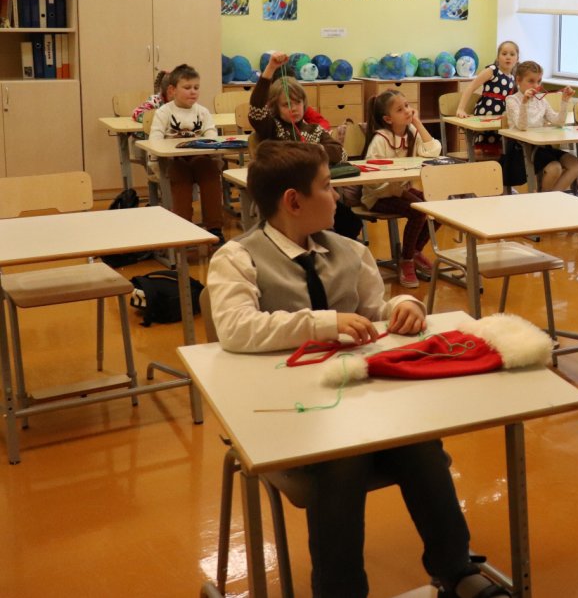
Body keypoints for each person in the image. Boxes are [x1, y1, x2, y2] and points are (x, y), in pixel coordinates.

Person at [207, 141, 504, 598]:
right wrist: (323, 323)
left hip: (358, 404)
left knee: (421, 442)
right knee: (343, 458)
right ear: (293, 201)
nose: (337, 196)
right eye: (328, 186)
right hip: (286, 417)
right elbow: (235, 328)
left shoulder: (349, 250)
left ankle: (455, 568)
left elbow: (375, 309)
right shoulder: (236, 257)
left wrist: (405, 307)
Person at [249, 51, 361, 238]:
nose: (293, 108)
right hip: (288, 201)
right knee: (324, 226)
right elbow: (256, 111)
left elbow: (340, 153)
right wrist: (270, 69)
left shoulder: (314, 130)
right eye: (286, 104)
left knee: (351, 223)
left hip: (314, 195)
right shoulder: (273, 128)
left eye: (297, 103)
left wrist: (312, 150)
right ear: (275, 107)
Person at [361, 89, 442, 288]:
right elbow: (371, 179)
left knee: (440, 207)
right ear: (388, 119)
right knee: (418, 210)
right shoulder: (381, 139)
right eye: (400, 109)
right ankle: (407, 261)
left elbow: (434, 151)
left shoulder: (411, 132)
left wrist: (418, 123)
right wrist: (398, 187)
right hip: (378, 195)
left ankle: (414, 251)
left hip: (400, 191)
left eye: (407, 105)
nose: (407, 111)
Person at [149, 63, 225, 241]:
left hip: (199, 158)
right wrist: (154, 164)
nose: (193, 92)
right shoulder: (164, 112)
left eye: (196, 88)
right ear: (172, 90)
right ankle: (183, 229)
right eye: (187, 87)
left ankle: (214, 227)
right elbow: (155, 140)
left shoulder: (203, 112)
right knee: (181, 179)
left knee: (210, 173)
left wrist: (214, 155)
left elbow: (211, 135)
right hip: (174, 161)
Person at [504, 60, 578, 192]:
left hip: (541, 147)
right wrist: (524, 103)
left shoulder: (541, 101)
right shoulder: (512, 100)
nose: (536, 86)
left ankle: (551, 197)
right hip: (521, 149)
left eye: (538, 81)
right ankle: (545, 198)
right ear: (518, 80)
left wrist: (564, 101)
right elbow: (522, 126)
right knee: (555, 168)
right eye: (531, 81)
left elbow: (559, 122)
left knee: (576, 164)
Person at [456, 41, 523, 187]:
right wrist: (460, 108)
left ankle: (496, 185)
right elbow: (471, 87)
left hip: (500, 118)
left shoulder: (513, 77)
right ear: (498, 57)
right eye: (504, 54)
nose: (508, 57)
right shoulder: (492, 70)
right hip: (485, 114)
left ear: (517, 59)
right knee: (482, 150)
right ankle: (476, 183)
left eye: (512, 54)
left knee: (500, 151)